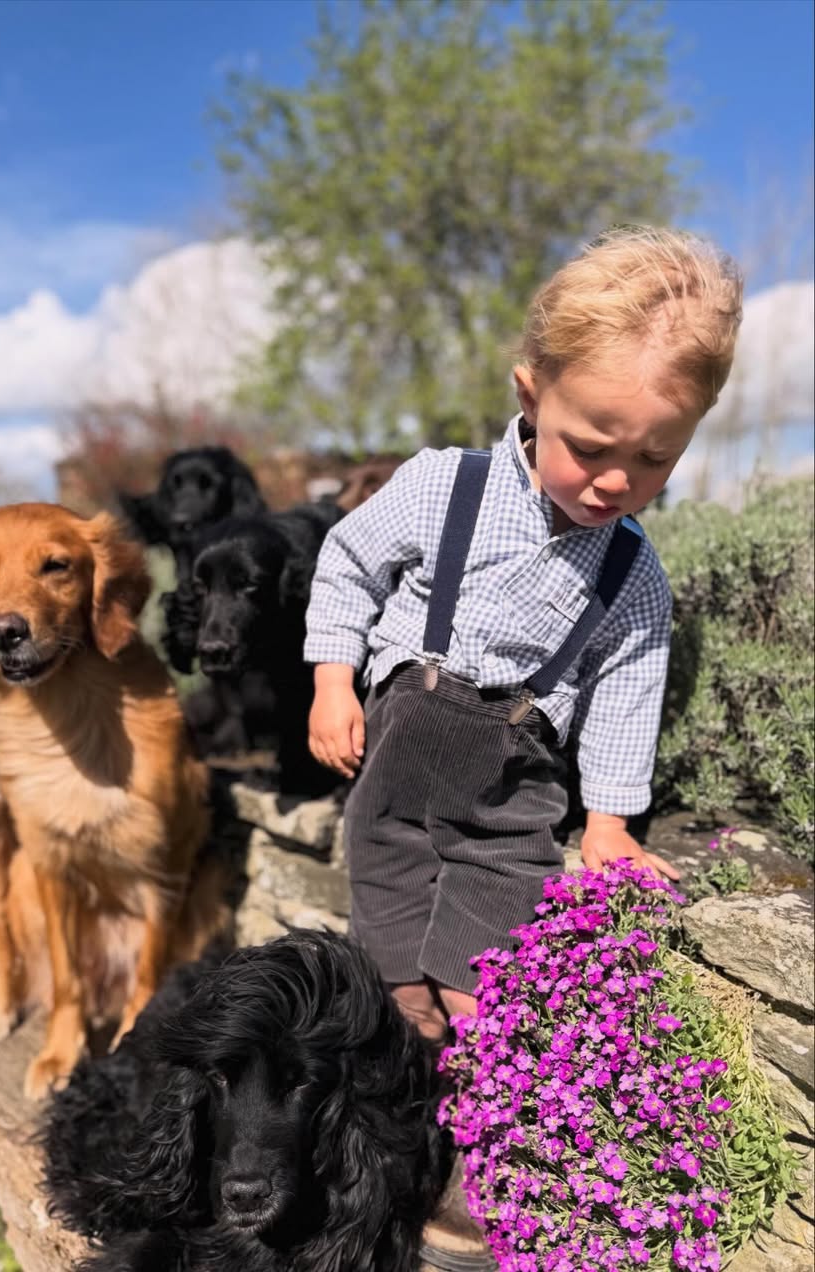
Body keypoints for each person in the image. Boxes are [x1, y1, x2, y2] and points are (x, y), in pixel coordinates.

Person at [304, 226, 742, 1267]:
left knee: (490, 965)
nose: (613, 482)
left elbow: (628, 697)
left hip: (516, 774)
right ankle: (389, 1126)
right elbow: (349, 560)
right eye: (592, 444)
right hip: (404, 748)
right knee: (392, 938)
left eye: (654, 459)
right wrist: (331, 676)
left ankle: (485, 1148)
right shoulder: (444, 486)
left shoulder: (633, 577)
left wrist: (608, 823)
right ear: (532, 390)